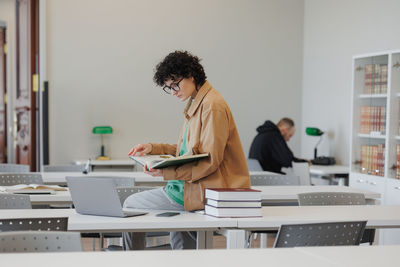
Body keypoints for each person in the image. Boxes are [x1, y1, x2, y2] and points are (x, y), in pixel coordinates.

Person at [123, 51, 250, 250]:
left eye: (175, 84)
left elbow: (209, 160)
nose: (173, 91)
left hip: (199, 191)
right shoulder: (198, 102)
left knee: (130, 204)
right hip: (186, 188)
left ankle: (132, 260)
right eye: (169, 88)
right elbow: (189, 152)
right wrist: (153, 148)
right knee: (183, 250)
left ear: (191, 75)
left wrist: (166, 172)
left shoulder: (212, 106)